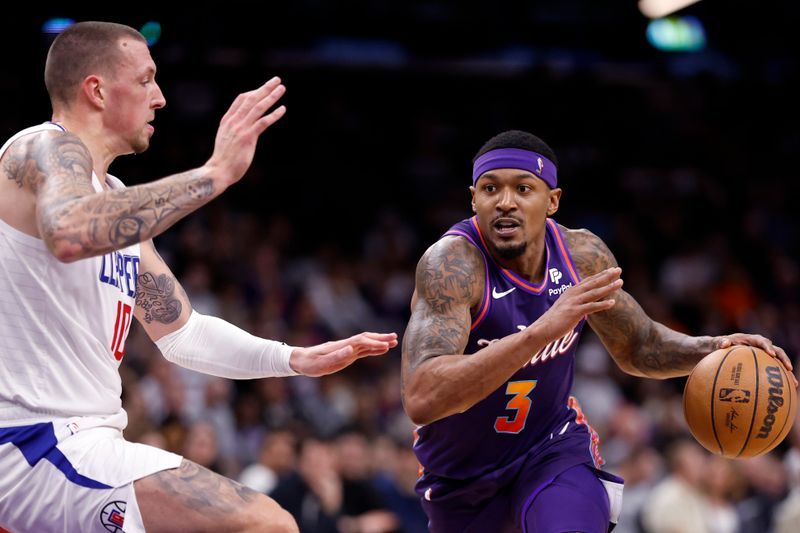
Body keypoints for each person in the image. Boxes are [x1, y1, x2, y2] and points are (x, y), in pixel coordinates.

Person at [0, 21, 397, 533]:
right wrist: (215, 173)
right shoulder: (43, 148)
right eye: (145, 80)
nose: (161, 97)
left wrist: (293, 358)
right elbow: (70, 230)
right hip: (35, 443)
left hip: (86, 443)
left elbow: (182, 333)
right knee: (266, 524)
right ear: (96, 90)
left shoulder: (115, 193)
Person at [400, 129, 796, 532]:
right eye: (490, 189)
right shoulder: (451, 265)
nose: (505, 202)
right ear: (473, 198)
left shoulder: (581, 255)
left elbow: (639, 345)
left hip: (550, 449)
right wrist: (539, 332)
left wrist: (715, 347)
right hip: (462, 478)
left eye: (523, 188)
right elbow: (422, 395)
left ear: (552, 201)